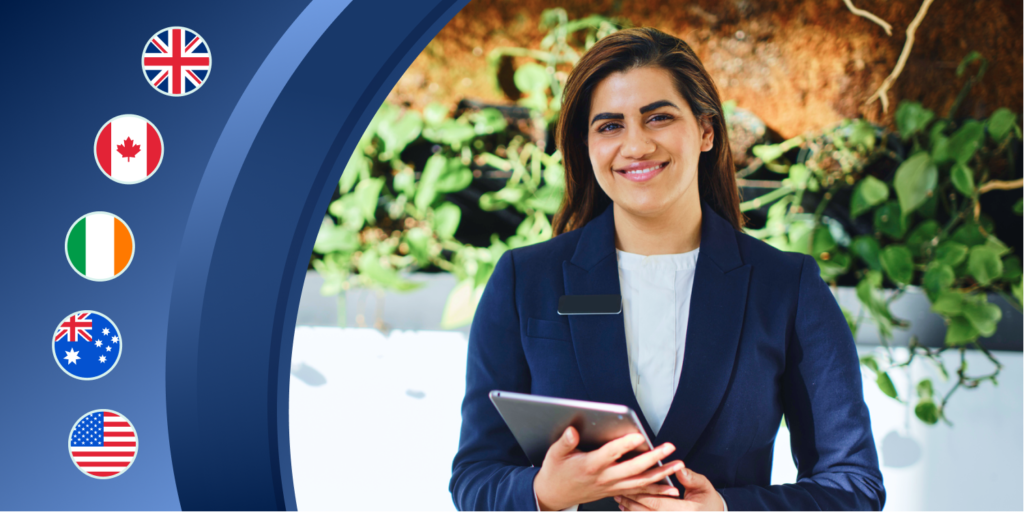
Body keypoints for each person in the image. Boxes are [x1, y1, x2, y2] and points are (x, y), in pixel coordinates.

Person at [449, 27, 884, 512]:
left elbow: (854, 488)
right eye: (609, 126)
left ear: (705, 130)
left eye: (657, 117)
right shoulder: (523, 281)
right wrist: (545, 493)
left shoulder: (786, 288)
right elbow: (474, 480)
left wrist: (723, 510)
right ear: (586, 145)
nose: (635, 146)